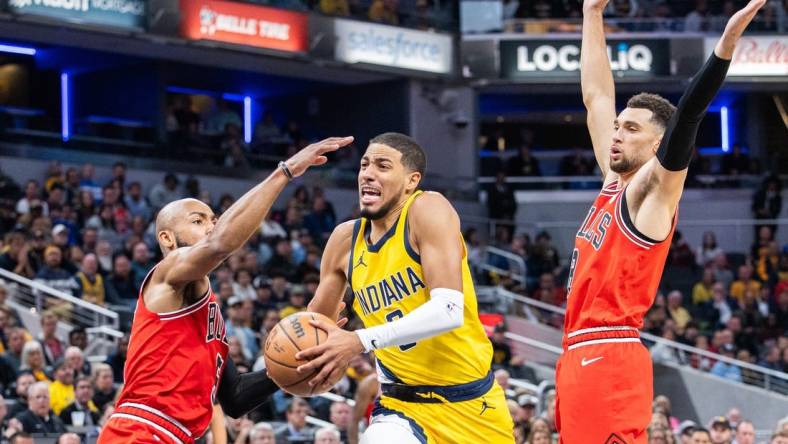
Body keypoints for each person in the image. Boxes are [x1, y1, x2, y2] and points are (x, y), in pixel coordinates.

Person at [556, 0, 766, 442]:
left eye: (631, 129)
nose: (616, 133)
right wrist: (591, 13)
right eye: (618, 126)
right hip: (576, 351)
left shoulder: (653, 193)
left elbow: (688, 114)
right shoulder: (613, 183)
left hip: (609, 353)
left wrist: (725, 44)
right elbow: (596, 97)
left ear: (658, 146)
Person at [97, 137, 353, 444]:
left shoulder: (207, 313)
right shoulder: (168, 274)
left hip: (175, 435)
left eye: (214, 220)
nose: (210, 226)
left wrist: (298, 361)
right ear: (167, 238)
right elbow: (220, 243)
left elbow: (235, 398)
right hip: (141, 430)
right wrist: (285, 171)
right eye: (198, 220)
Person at [300, 133, 514, 443]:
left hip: (472, 403)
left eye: (383, 166)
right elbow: (314, 327)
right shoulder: (345, 240)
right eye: (364, 165)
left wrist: (358, 340)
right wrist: (308, 354)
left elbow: (448, 310)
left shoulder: (427, 208)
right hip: (400, 406)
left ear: (411, 180)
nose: (368, 173)